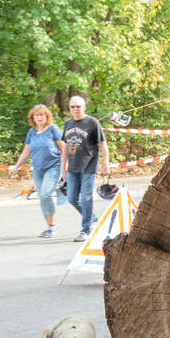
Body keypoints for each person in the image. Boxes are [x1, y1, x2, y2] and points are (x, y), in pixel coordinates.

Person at [7, 105, 65, 237]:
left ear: (46, 116)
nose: (39, 117)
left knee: (45, 194)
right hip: (38, 169)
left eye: (42, 115)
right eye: (36, 115)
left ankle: (53, 226)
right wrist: (15, 167)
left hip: (54, 166)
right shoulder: (31, 132)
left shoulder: (52, 129)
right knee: (42, 198)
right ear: (33, 117)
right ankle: (50, 226)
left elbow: (64, 147)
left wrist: (65, 166)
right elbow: (26, 152)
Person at [59, 95, 111, 241]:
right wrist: (63, 168)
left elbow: (103, 144)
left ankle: (86, 229)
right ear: (69, 108)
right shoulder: (68, 123)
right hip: (72, 167)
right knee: (71, 198)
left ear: (84, 107)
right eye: (72, 107)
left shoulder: (93, 123)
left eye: (78, 106)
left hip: (88, 165)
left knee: (87, 198)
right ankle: (92, 217)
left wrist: (105, 163)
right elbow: (65, 147)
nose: (75, 109)